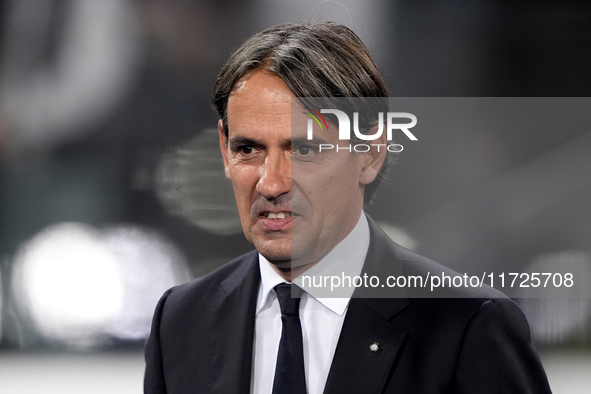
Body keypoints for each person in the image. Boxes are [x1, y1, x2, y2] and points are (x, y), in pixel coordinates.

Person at [144, 22, 552, 394]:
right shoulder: (180, 322)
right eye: (248, 149)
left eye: (303, 149)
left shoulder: (468, 326)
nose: (270, 183)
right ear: (223, 147)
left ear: (371, 153)